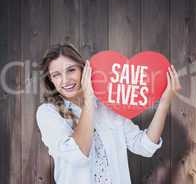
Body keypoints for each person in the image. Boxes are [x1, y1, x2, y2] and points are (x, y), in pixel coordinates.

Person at [36, 44, 182, 184]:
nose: (65, 80)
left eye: (71, 70)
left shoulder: (107, 104)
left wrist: (164, 102)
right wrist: (89, 100)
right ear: (51, 80)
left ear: (83, 69)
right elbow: (78, 155)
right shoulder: (48, 113)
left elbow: (144, 146)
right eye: (56, 75)